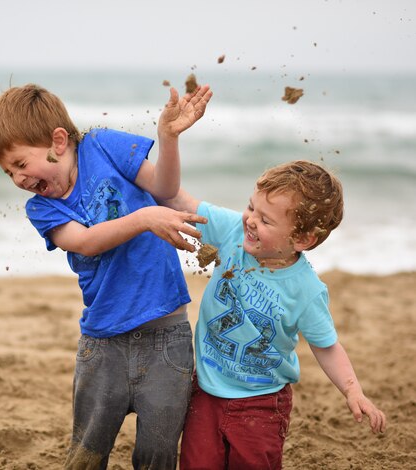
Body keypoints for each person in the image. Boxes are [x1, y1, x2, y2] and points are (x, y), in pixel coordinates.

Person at [0, 82, 213, 469]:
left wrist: (168, 137)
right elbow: (87, 242)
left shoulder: (104, 146)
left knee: (158, 454)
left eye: (20, 164)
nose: (18, 180)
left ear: (57, 141)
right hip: (103, 343)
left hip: (167, 335)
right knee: (87, 451)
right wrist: (143, 218)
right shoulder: (41, 209)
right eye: (9, 174)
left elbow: (164, 188)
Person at [160, 160, 387, 470]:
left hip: (262, 402)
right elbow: (178, 200)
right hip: (206, 389)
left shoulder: (306, 290)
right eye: (251, 207)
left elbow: (326, 345)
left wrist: (352, 389)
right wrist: (162, 143)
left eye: (265, 220)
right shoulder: (231, 233)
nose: (250, 221)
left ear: (302, 239)